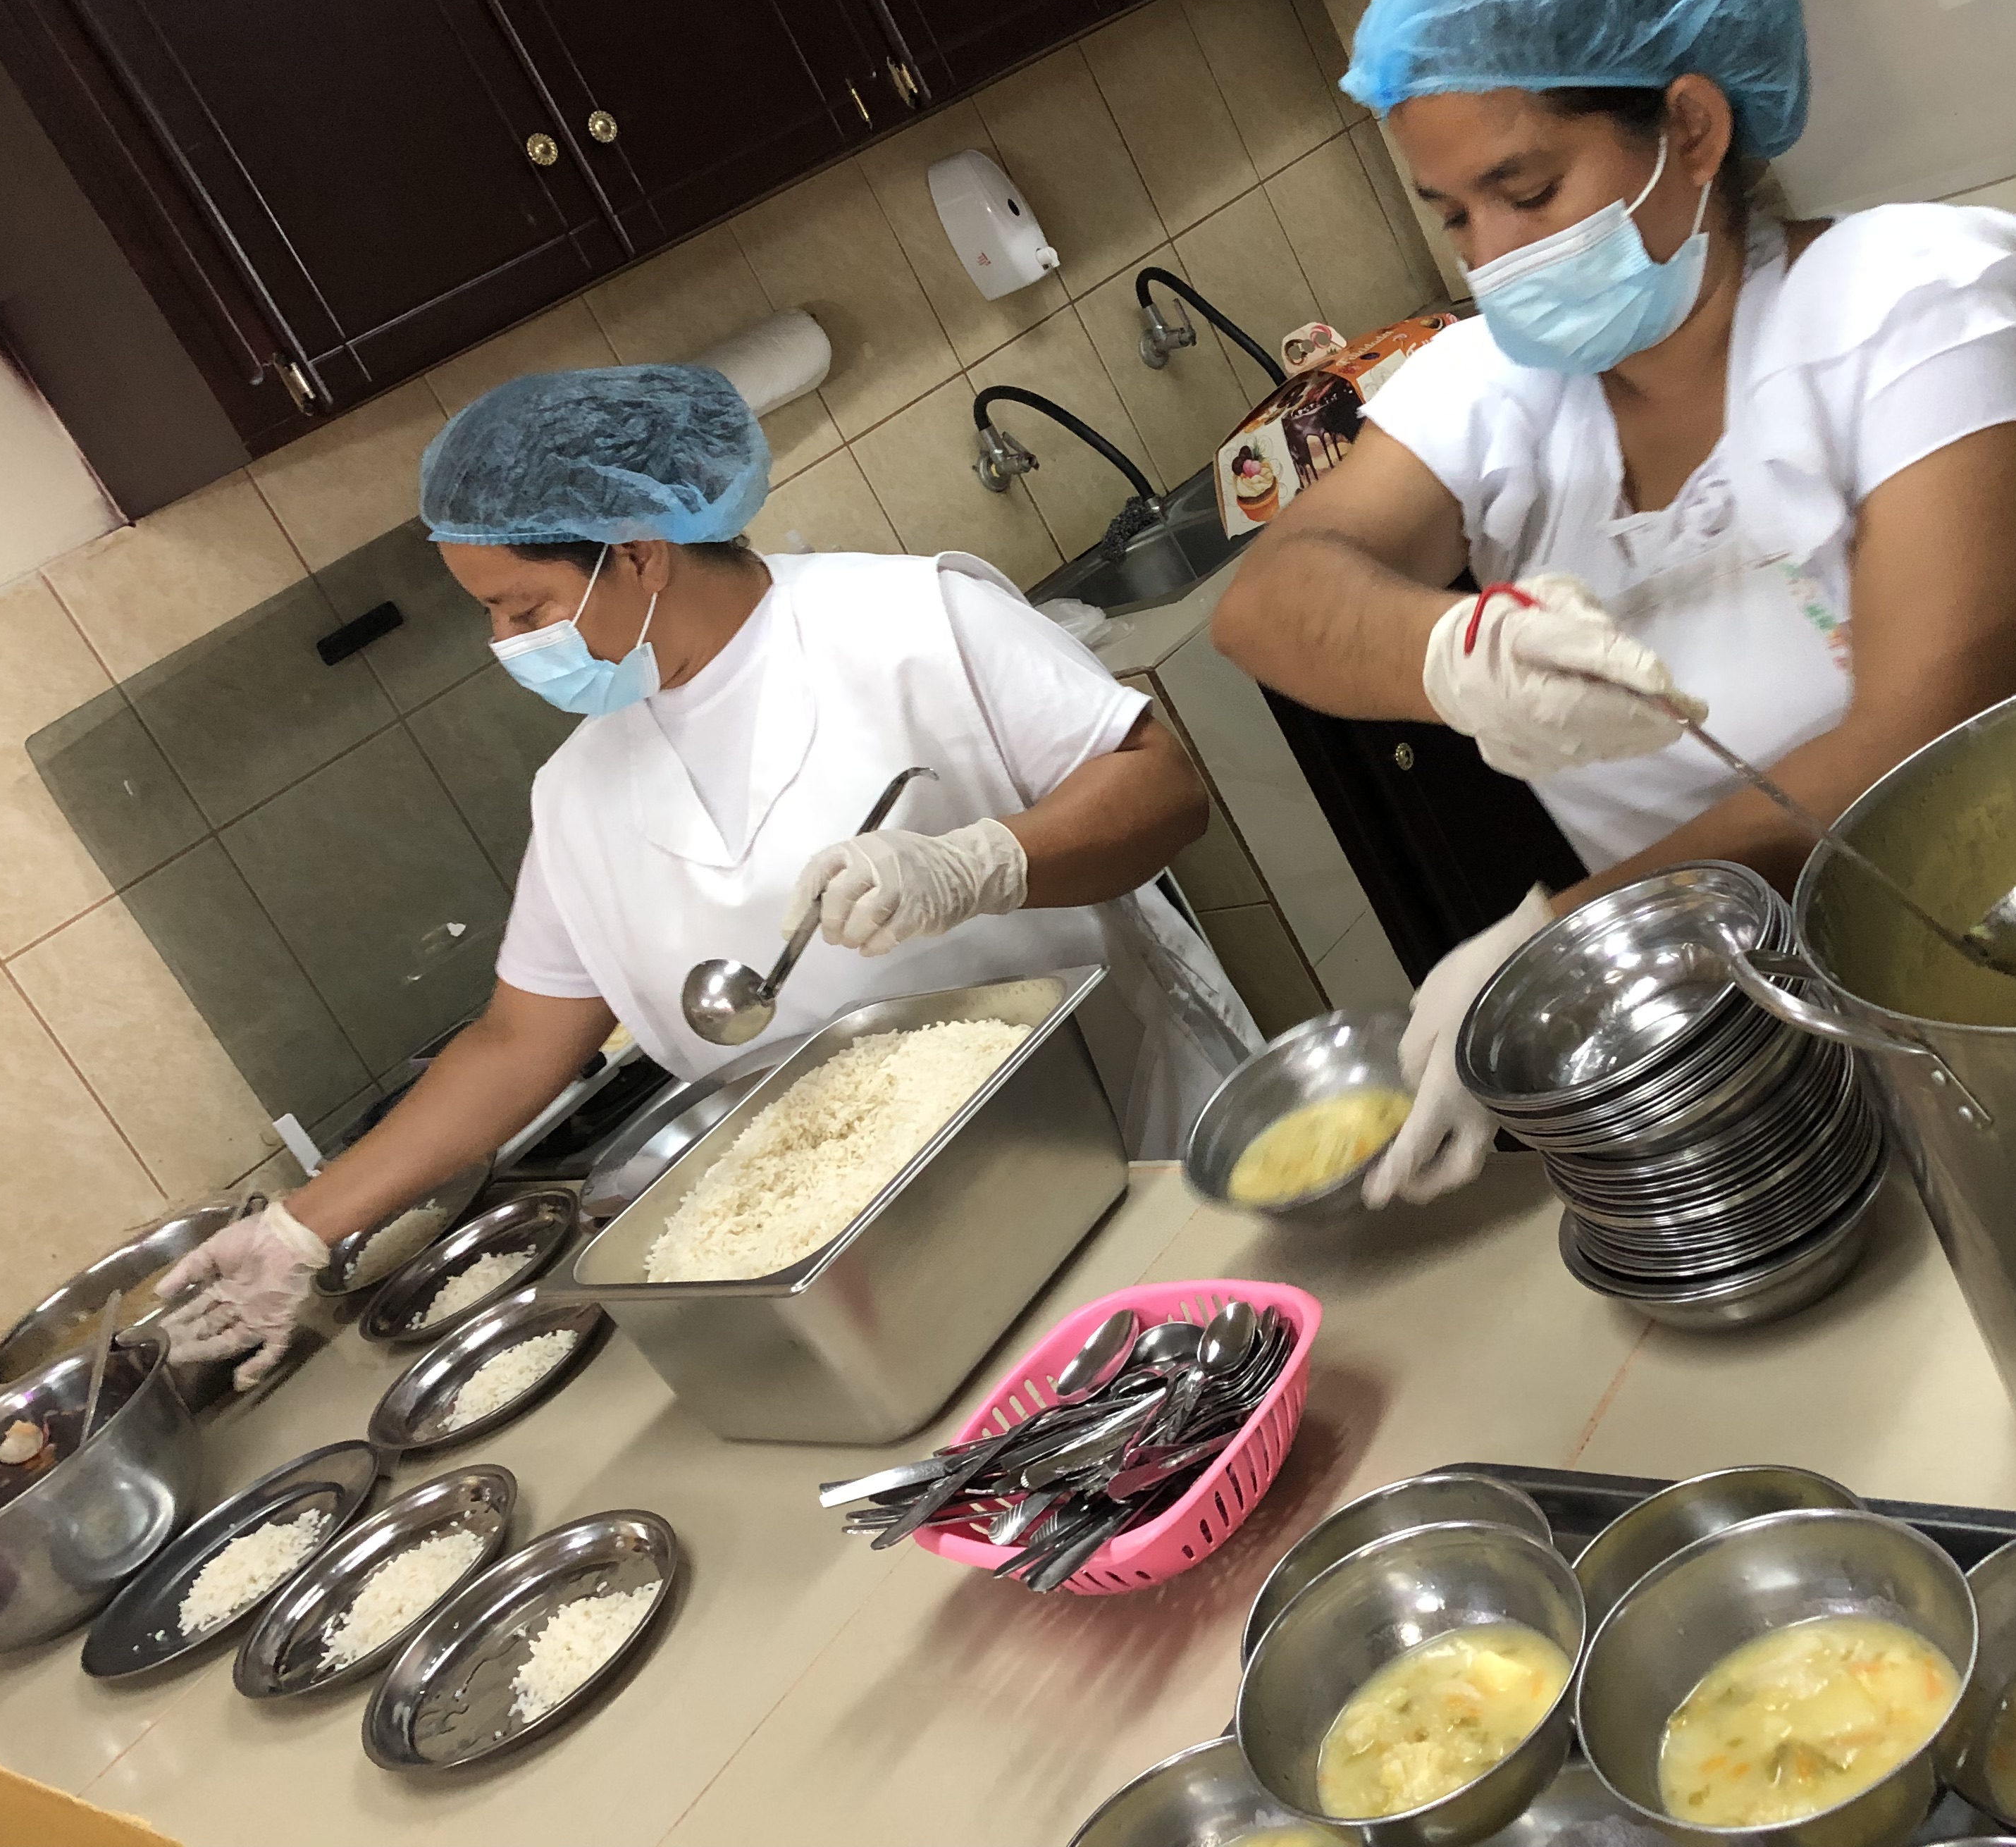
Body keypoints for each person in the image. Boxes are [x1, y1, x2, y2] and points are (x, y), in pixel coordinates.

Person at [1211, 0, 2016, 1210]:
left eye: (1529, 191)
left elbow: (1916, 758)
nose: (1491, 257)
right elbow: (1273, 598)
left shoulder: (1916, 308)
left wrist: (1564, 934)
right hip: (1755, 1035)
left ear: (1693, 128)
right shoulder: (1496, 387)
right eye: (1455, 213)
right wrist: (1456, 655)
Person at [162, 364, 1257, 1385]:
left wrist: (980, 864)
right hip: (884, 1269)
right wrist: (300, 1228)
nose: (504, 644)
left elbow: (1165, 788)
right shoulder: (578, 790)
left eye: (525, 609)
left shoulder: (907, 619)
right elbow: (515, 1041)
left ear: (639, 552)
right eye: (489, 614)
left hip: (1127, 1147)